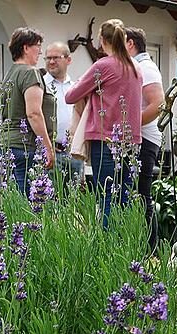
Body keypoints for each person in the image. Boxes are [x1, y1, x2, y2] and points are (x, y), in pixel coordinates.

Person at [65, 19, 143, 227]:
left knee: (106, 195)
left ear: (101, 40)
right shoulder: (135, 67)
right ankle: (125, 247)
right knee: (125, 197)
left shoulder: (103, 65)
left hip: (106, 139)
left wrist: (89, 87)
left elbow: (71, 96)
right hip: (132, 140)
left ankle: (107, 248)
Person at [0, 27, 55, 198]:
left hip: (7, 144)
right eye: (37, 46)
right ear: (25, 48)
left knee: (14, 199)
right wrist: (47, 147)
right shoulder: (30, 73)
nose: (40, 51)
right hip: (25, 146)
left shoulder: (9, 74)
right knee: (31, 203)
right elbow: (33, 113)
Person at [125, 27, 164, 251]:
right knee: (137, 196)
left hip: (144, 140)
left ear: (130, 44)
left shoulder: (145, 68)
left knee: (141, 196)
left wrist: (128, 128)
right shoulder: (135, 66)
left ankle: (150, 252)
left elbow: (157, 104)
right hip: (138, 140)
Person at [43, 42, 84, 183]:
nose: (51, 61)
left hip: (74, 154)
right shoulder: (40, 86)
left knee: (74, 200)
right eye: (48, 58)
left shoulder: (76, 87)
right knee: (49, 200)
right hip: (51, 153)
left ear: (68, 60)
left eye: (56, 57)